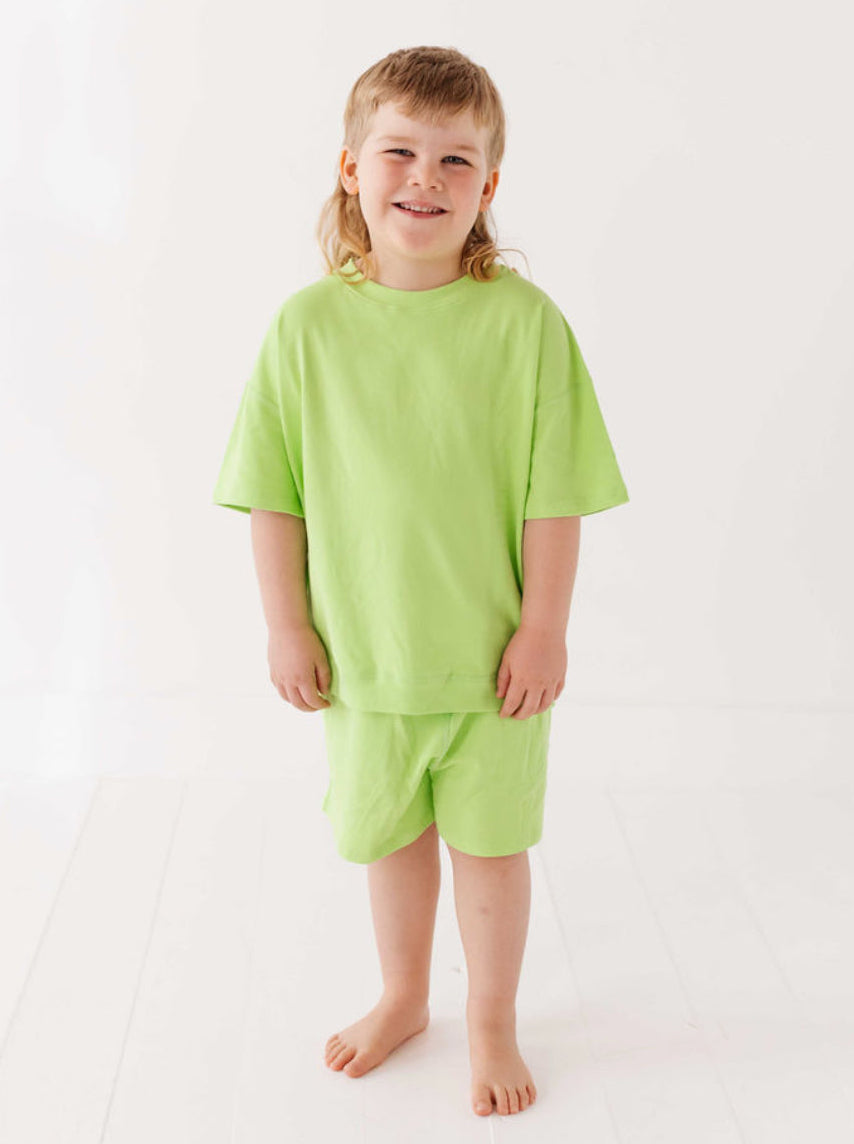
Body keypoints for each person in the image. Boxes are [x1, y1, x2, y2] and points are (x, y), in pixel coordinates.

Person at [212, 45, 629, 1118]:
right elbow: (276, 494)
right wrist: (284, 627)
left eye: (456, 160)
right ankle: (403, 995)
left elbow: (555, 493)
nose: (425, 178)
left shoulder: (524, 326)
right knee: (390, 839)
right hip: (365, 659)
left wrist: (544, 630)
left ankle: (490, 1018)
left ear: (487, 188)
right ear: (351, 168)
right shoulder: (306, 330)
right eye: (399, 150)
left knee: (491, 849)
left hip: (494, 666)